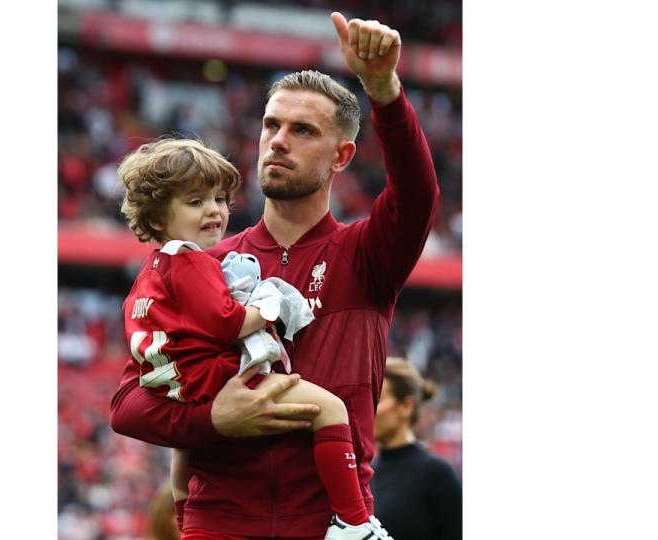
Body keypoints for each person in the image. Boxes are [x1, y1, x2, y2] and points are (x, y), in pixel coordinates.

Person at [111, 11, 439, 539]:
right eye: (271, 124)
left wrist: (385, 92)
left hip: (328, 524)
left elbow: (419, 197)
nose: (278, 140)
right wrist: (212, 420)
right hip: (217, 523)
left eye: (302, 130)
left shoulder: (368, 254)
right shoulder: (200, 262)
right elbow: (129, 404)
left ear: (342, 156)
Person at [117, 137, 379, 538]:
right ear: (156, 217)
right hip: (217, 376)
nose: (214, 211)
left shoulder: (148, 273)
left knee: (185, 450)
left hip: (179, 384)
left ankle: (186, 518)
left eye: (219, 199)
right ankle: (354, 524)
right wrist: (270, 305)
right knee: (329, 409)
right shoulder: (193, 261)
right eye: (195, 202)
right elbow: (228, 324)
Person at [371, 358, 462, 540]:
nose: (368, 408)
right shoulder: (367, 473)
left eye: (377, 399)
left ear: (406, 406)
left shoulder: (436, 473)